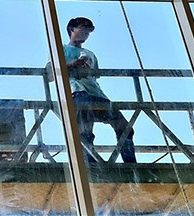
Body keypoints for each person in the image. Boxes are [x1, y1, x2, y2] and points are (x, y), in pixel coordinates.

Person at [52, 17, 137, 164]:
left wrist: (86, 69)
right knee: (85, 132)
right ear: (72, 29)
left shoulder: (90, 54)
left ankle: (130, 164)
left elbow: (95, 76)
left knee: (125, 127)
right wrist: (73, 64)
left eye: (88, 30)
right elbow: (51, 74)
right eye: (83, 28)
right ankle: (90, 165)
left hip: (96, 94)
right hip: (78, 93)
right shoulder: (61, 50)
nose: (86, 32)